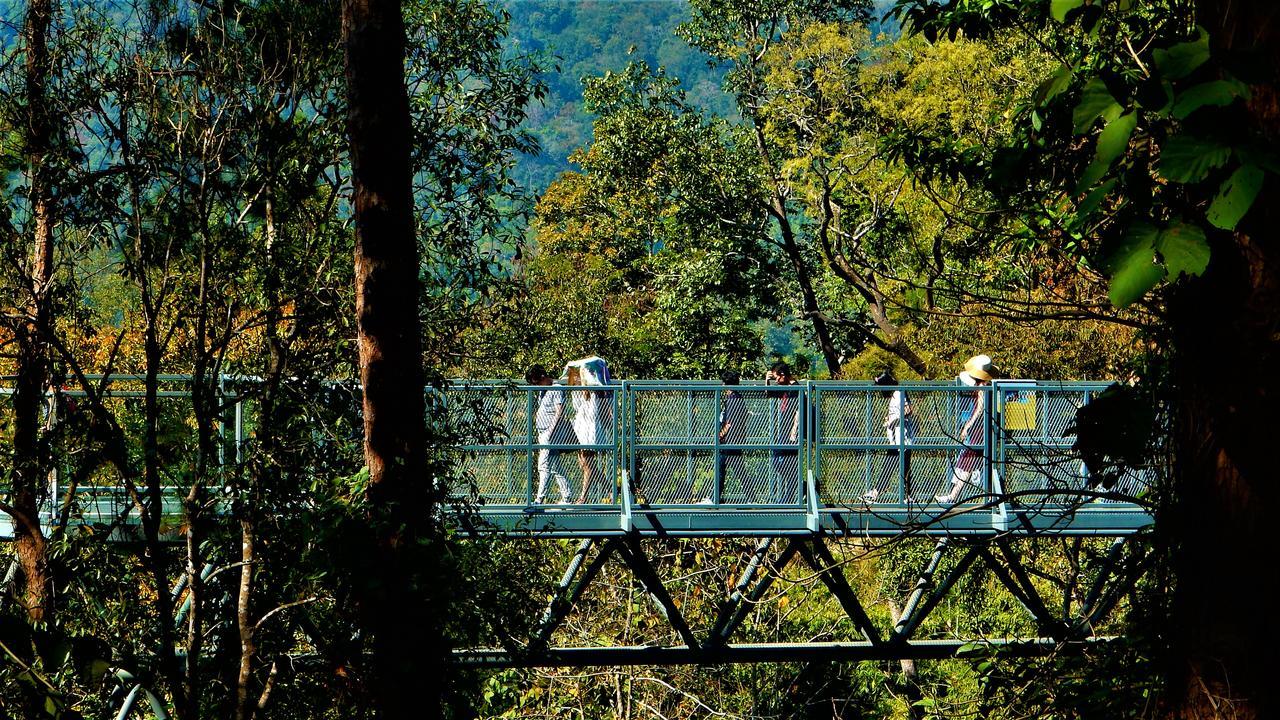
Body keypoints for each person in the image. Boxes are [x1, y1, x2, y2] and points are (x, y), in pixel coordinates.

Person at [936, 354, 995, 504]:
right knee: (983, 464)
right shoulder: (988, 386)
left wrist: (968, 426)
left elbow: (980, 409)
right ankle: (990, 497)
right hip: (984, 429)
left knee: (968, 462)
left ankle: (953, 496)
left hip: (979, 429)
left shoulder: (982, 387)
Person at [565, 356, 614, 503]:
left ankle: (583, 497)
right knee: (585, 464)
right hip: (580, 429)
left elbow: (604, 411)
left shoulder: (596, 392)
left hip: (591, 431)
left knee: (587, 464)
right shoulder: (578, 392)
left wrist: (609, 425)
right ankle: (611, 489)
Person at [864, 371, 914, 503]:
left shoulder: (899, 392)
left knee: (904, 468)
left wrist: (894, 419)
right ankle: (878, 491)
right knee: (889, 465)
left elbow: (908, 409)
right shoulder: (893, 396)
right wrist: (890, 418)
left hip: (903, 439)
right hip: (895, 440)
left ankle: (907, 496)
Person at [526, 364, 571, 504]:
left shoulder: (556, 388)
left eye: (537, 382)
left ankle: (539, 499)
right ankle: (567, 496)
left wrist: (550, 431)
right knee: (556, 467)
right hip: (543, 432)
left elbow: (559, 411)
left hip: (551, 433)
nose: (537, 386)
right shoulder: (543, 390)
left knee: (543, 465)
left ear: (543, 377)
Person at [717, 371, 760, 503]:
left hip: (730, 441)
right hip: (733, 440)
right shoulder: (736, 398)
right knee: (735, 469)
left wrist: (721, 434)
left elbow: (730, 422)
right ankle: (751, 498)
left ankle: (716, 498)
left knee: (722, 468)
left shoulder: (734, 399)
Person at [766, 361, 802, 503]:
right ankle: (798, 484)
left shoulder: (795, 389)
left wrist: (794, 431)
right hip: (784, 431)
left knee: (789, 463)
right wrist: (767, 380)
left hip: (791, 433)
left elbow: (798, 412)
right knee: (777, 460)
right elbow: (769, 394)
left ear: (783, 375)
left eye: (776, 378)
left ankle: (791, 494)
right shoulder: (785, 387)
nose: (776, 381)